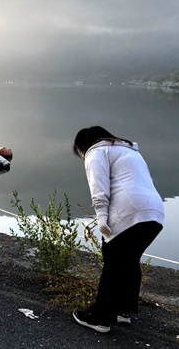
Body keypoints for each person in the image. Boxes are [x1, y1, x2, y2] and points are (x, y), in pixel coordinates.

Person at [71, 126, 164, 333]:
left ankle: (100, 318)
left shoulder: (96, 151)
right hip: (155, 213)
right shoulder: (130, 151)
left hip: (128, 212)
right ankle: (124, 311)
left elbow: (99, 186)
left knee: (113, 264)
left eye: (80, 151)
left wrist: (101, 216)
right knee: (129, 261)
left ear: (83, 146)